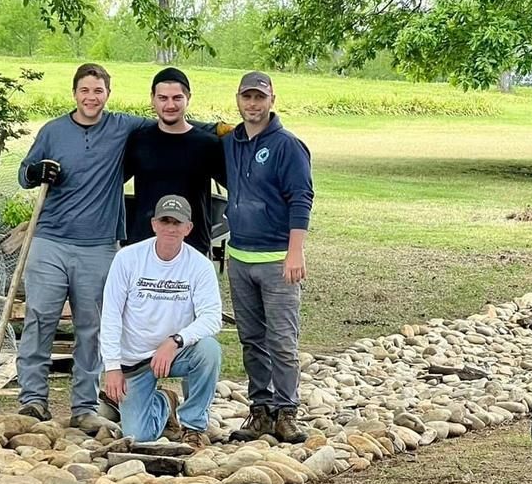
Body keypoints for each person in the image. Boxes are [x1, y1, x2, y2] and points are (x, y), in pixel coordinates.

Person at [16, 63, 149, 431]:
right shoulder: (53, 131)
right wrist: (36, 171)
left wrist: (217, 133)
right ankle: (32, 401)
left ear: (108, 94)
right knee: (40, 319)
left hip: (99, 246)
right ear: (75, 93)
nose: (91, 97)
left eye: (98, 91)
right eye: (85, 91)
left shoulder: (123, 127)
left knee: (92, 328)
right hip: (50, 241)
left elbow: (169, 123)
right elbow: (24, 172)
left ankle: (84, 407)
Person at [223, 71, 314, 444]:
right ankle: (260, 411)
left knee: (282, 340)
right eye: (247, 97)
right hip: (240, 257)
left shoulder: (287, 146)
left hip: (278, 259)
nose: (253, 104)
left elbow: (301, 199)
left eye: (260, 97)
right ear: (239, 100)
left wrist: (296, 252)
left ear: (271, 99)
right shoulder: (231, 142)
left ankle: (286, 410)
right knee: (251, 339)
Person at [99, 194, 222, 451]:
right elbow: (110, 314)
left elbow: (212, 318)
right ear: (154, 224)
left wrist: (175, 341)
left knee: (209, 350)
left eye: (177, 223)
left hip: (176, 353)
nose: (170, 228)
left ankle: (194, 426)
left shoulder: (200, 266)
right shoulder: (127, 259)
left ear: (188, 228)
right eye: (165, 221)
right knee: (138, 437)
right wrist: (112, 367)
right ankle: (165, 402)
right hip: (135, 360)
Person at [123, 67, 227, 257]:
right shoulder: (138, 140)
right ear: (152, 99)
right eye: (163, 98)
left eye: (177, 98)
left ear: (188, 98)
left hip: (192, 246)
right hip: (144, 244)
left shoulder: (207, 144)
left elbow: (239, 187)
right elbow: (110, 182)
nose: (170, 105)